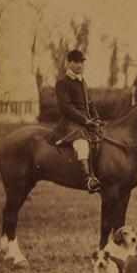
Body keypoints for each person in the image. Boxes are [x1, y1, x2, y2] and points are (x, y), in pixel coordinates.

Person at [51, 49, 102, 193]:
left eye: (81, 62)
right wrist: (85, 120)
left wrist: (96, 118)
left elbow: (90, 103)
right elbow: (66, 107)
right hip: (70, 123)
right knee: (82, 144)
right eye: (76, 62)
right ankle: (88, 179)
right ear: (68, 63)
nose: (80, 65)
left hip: (86, 122)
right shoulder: (62, 83)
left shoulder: (83, 81)